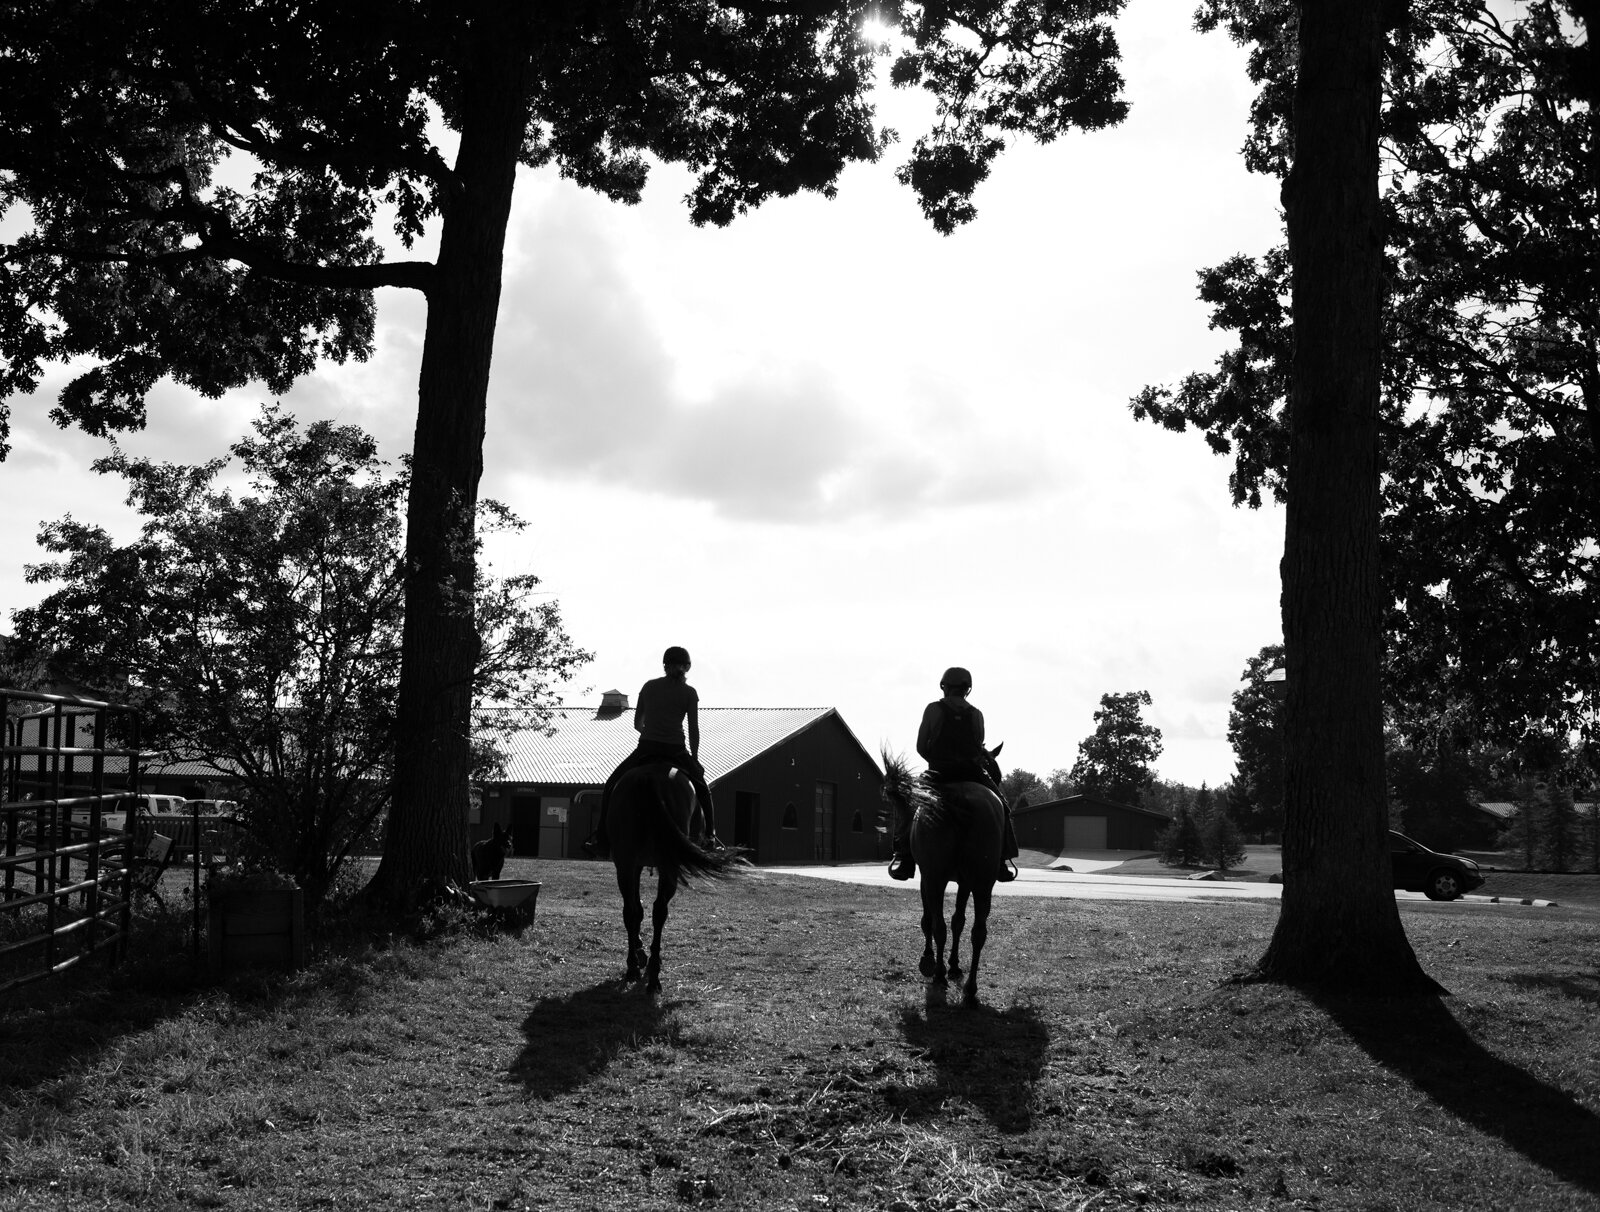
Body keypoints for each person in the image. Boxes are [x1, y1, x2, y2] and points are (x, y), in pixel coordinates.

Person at [584, 646, 719, 859]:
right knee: (702, 787)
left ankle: (601, 838)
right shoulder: (689, 693)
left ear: (665, 666)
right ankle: (711, 837)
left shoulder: (649, 687)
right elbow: (693, 729)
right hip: (675, 750)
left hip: (646, 747)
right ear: (687, 668)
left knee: (612, 784)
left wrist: (652, 731)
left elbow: (638, 723)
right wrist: (694, 758)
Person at [888, 666, 1019, 882]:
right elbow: (977, 748)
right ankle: (1001, 861)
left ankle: (904, 857)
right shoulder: (977, 714)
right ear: (967, 689)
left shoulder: (933, 710)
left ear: (944, 687)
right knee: (1003, 807)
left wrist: (937, 759)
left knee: (908, 803)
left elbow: (921, 746)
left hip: (940, 772)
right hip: (972, 773)